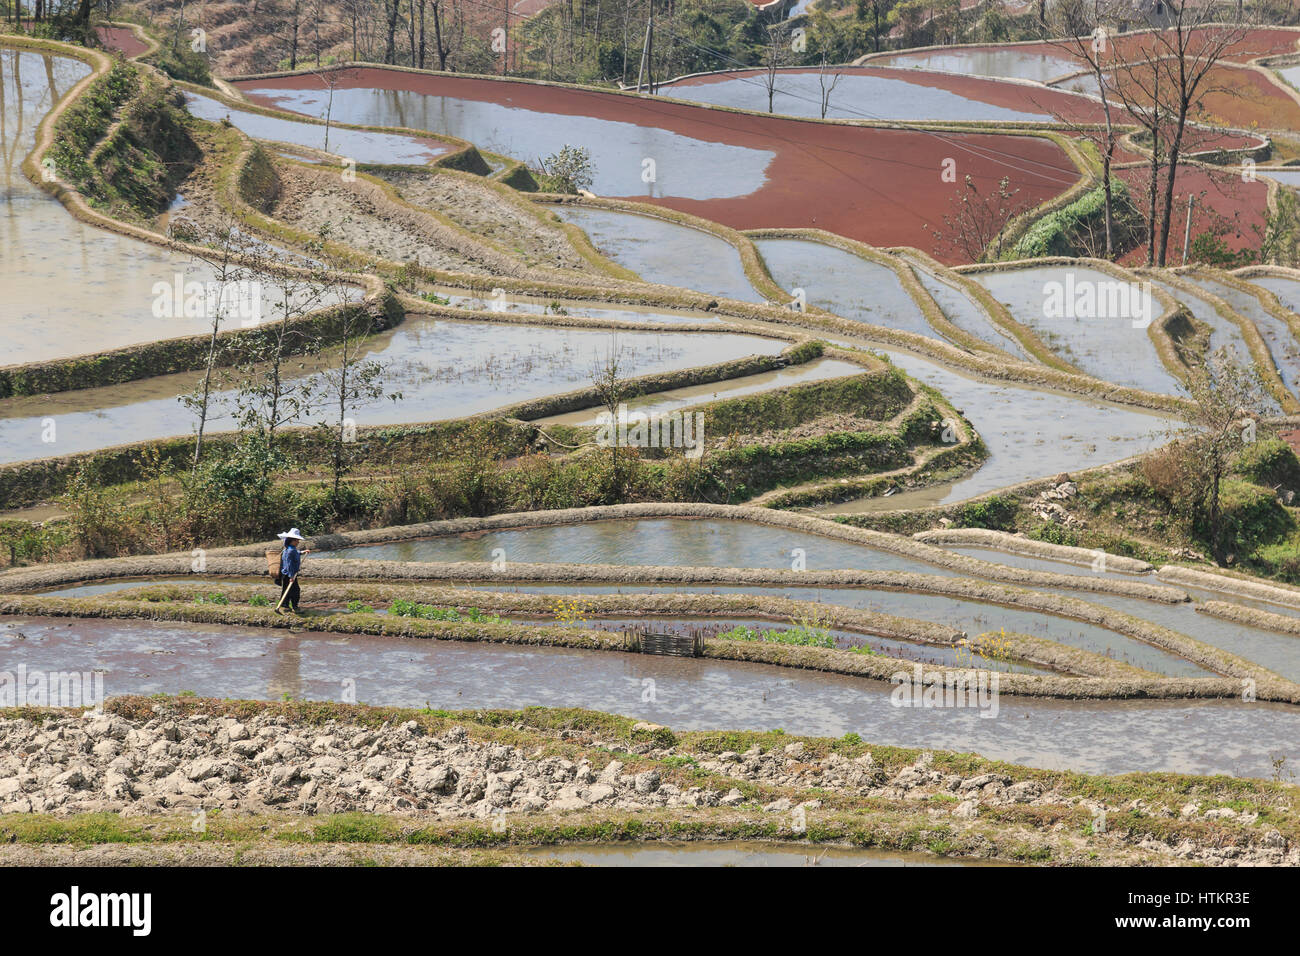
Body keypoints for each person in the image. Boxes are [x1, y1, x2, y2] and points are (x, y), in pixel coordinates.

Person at [274, 528, 311, 613]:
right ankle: (295, 607)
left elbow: (296, 553)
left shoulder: (289, 548)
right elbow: (289, 564)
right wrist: (291, 576)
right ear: (292, 540)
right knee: (295, 590)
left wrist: (302, 552)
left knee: (287, 590)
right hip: (289, 574)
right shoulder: (290, 550)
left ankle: (285, 606)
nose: (298, 542)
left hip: (286, 574)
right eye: (297, 540)